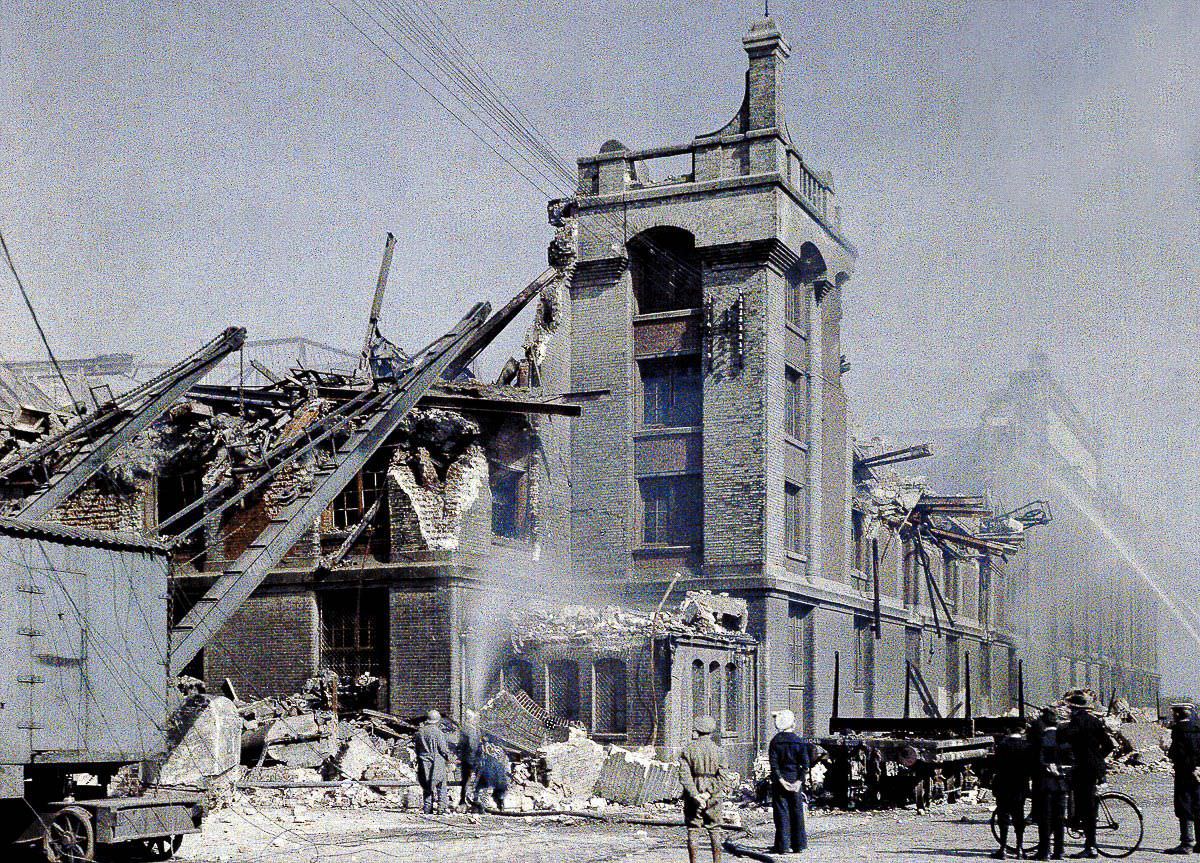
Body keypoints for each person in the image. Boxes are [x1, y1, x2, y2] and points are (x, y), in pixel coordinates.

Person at [1062, 693, 1113, 859]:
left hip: (1083, 769)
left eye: (1070, 708)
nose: (1069, 711)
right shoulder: (1095, 721)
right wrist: (1098, 758)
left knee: (1085, 806)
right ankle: (1084, 834)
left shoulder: (1077, 721)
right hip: (1096, 768)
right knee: (1090, 806)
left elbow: (1066, 737)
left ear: (1074, 709)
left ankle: (1090, 846)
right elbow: (1109, 745)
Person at [679, 715, 728, 863]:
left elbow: (684, 776)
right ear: (711, 732)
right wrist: (708, 794)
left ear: (696, 731)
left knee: (693, 830)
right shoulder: (719, 751)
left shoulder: (688, 750)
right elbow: (724, 777)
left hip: (693, 795)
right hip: (713, 796)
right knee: (715, 830)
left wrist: (695, 795)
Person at [1030, 706, 1070, 861]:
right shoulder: (1064, 738)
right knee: (1059, 819)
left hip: (1045, 785)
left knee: (1045, 819)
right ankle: (1059, 851)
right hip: (1062, 784)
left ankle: (1044, 852)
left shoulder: (1043, 739)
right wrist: (1062, 772)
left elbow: (1039, 761)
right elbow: (1072, 760)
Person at [768, 709, 811, 854]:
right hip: (795, 778)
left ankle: (782, 845)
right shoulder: (799, 741)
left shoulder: (775, 742)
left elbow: (774, 765)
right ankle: (799, 844)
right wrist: (799, 781)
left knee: (781, 812)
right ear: (792, 722)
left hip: (780, 781)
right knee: (797, 811)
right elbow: (805, 764)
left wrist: (780, 780)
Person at [1163, 702, 1200, 854]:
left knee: (1184, 806)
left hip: (1184, 773)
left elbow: (1176, 753)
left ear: (1178, 713)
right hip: (1198, 773)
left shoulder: (1178, 730)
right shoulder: (1198, 729)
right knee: (1198, 805)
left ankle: (1187, 842)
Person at [991, 728, 1033, 859]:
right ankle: (1019, 849)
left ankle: (1003, 848)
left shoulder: (1002, 746)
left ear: (1008, 731)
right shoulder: (1026, 746)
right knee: (1018, 817)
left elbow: (995, 766)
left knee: (1003, 817)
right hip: (1020, 787)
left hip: (1003, 786)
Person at [413, 708, 452, 814]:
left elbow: (416, 749)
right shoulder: (438, 733)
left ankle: (427, 809)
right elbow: (443, 750)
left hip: (423, 762)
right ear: (437, 720)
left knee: (427, 786)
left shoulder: (420, 732)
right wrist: (450, 759)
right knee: (441, 785)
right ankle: (441, 809)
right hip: (437, 762)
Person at [472, 735, 510, 812]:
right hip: (499, 773)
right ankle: (500, 805)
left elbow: (480, 762)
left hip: (489, 772)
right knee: (498, 790)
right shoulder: (501, 751)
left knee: (481, 789)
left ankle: (481, 807)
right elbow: (505, 764)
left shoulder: (485, 749)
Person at [457, 708, 484, 810]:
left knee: (466, 780)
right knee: (472, 780)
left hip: (468, 759)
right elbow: (472, 746)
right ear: (471, 719)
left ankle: (465, 800)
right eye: (476, 718)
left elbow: (460, 745)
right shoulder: (470, 730)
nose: (477, 720)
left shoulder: (468, 729)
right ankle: (472, 801)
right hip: (472, 759)